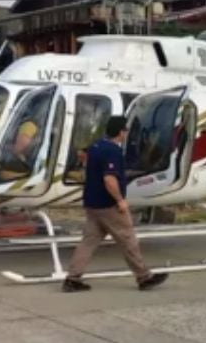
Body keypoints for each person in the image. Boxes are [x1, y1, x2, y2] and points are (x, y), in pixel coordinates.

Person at [62, 116, 168, 293]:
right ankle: (144, 277)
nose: (126, 133)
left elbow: (86, 163)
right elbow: (109, 179)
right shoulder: (113, 151)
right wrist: (120, 200)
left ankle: (72, 278)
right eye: (125, 130)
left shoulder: (95, 146)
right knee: (128, 239)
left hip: (92, 203)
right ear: (121, 132)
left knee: (89, 241)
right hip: (108, 204)